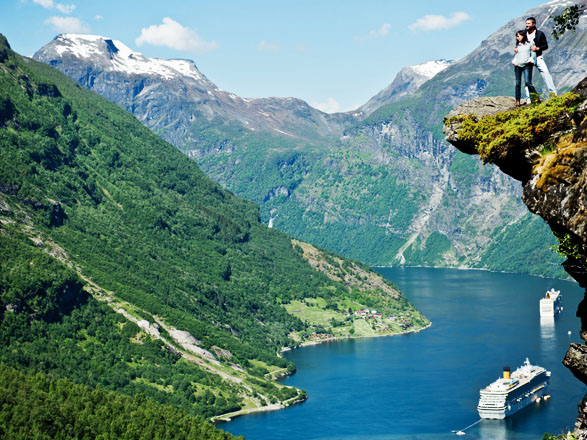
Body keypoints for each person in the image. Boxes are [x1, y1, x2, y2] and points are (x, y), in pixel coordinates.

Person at [523, 16, 557, 102]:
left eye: (528, 23)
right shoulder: (523, 34)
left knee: (546, 74)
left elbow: (545, 46)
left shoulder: (540, 34)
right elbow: (519, 43)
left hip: (538, 57)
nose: (527, 25)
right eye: (526, 23)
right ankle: (529, 100)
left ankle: (553, 95)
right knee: (527, 80)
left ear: (533, 24)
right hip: (527, 59)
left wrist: (537, 48)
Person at [512, 30, 537, 107]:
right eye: (516, 36)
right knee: (517, 83)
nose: (517, 38)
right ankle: (517, 100)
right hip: (518, 65)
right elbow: (517, 55)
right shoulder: (518, 45)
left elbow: (533, 54)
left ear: (523, 36)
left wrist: (530, 60)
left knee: (528, 82)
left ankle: (535, 97)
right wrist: (514, 61)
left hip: (527, 65)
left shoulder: (530, 43)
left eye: (518, 36)